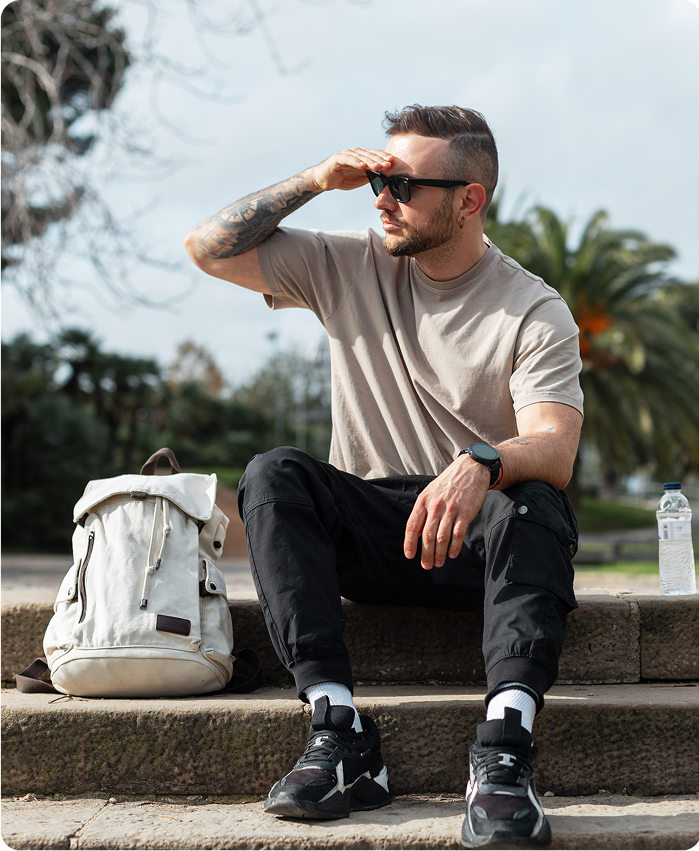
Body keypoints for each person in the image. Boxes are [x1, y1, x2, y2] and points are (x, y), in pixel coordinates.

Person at [184, 105, 583, 850]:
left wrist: (481, 460)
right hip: (372, 536)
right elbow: (206, 248)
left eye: (402, 184)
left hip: (476, 547)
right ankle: (340, 731)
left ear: (469, 200)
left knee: (536, 500)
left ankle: (503, 747)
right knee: (274, 473)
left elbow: (554, 447)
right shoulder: (349, 263)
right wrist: (312, 179)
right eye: (375, 179)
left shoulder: (533, 309)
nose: (380, 199)